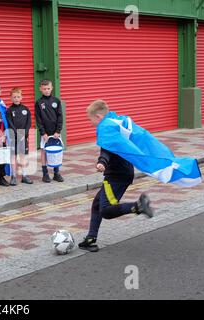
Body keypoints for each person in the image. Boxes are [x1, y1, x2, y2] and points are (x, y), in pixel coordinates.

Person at [78, 100, 155, 252]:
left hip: (116, 175)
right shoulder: (115, 125)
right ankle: (91, 239)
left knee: (106, 210)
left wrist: (102, 162)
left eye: (90, 119)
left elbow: (107, 150)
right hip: (123, 172)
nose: (90, 122)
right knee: (97, 204)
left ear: (98, 117)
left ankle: (137, 206)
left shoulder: (106, 129)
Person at [35, 79, 64, 183]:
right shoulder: (39, 103)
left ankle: (56, 173)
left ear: (51, 88)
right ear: (40, 89)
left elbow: (60, 117)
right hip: (45, 134)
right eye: (44, 89)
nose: (46, 90)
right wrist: (43, 133)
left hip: (55, 133)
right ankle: (45, 173)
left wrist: (58, 131)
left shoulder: (56, 101)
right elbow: (38, 119)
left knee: (56, 152)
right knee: (44, 152)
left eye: (48, 88)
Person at [6, 87, 33, 186]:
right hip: (13, 136)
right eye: (14, 97)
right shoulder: (9, 110)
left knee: (23, 156)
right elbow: (9, 123)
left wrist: (24, 133)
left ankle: (24, 176)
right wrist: (17, 133)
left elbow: (29, 123)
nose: (16, 98)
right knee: (13, 156)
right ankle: (13, 176)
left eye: (18, 97)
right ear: (11, 98)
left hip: (23, 137)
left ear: (22, 97)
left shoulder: (26, 109)